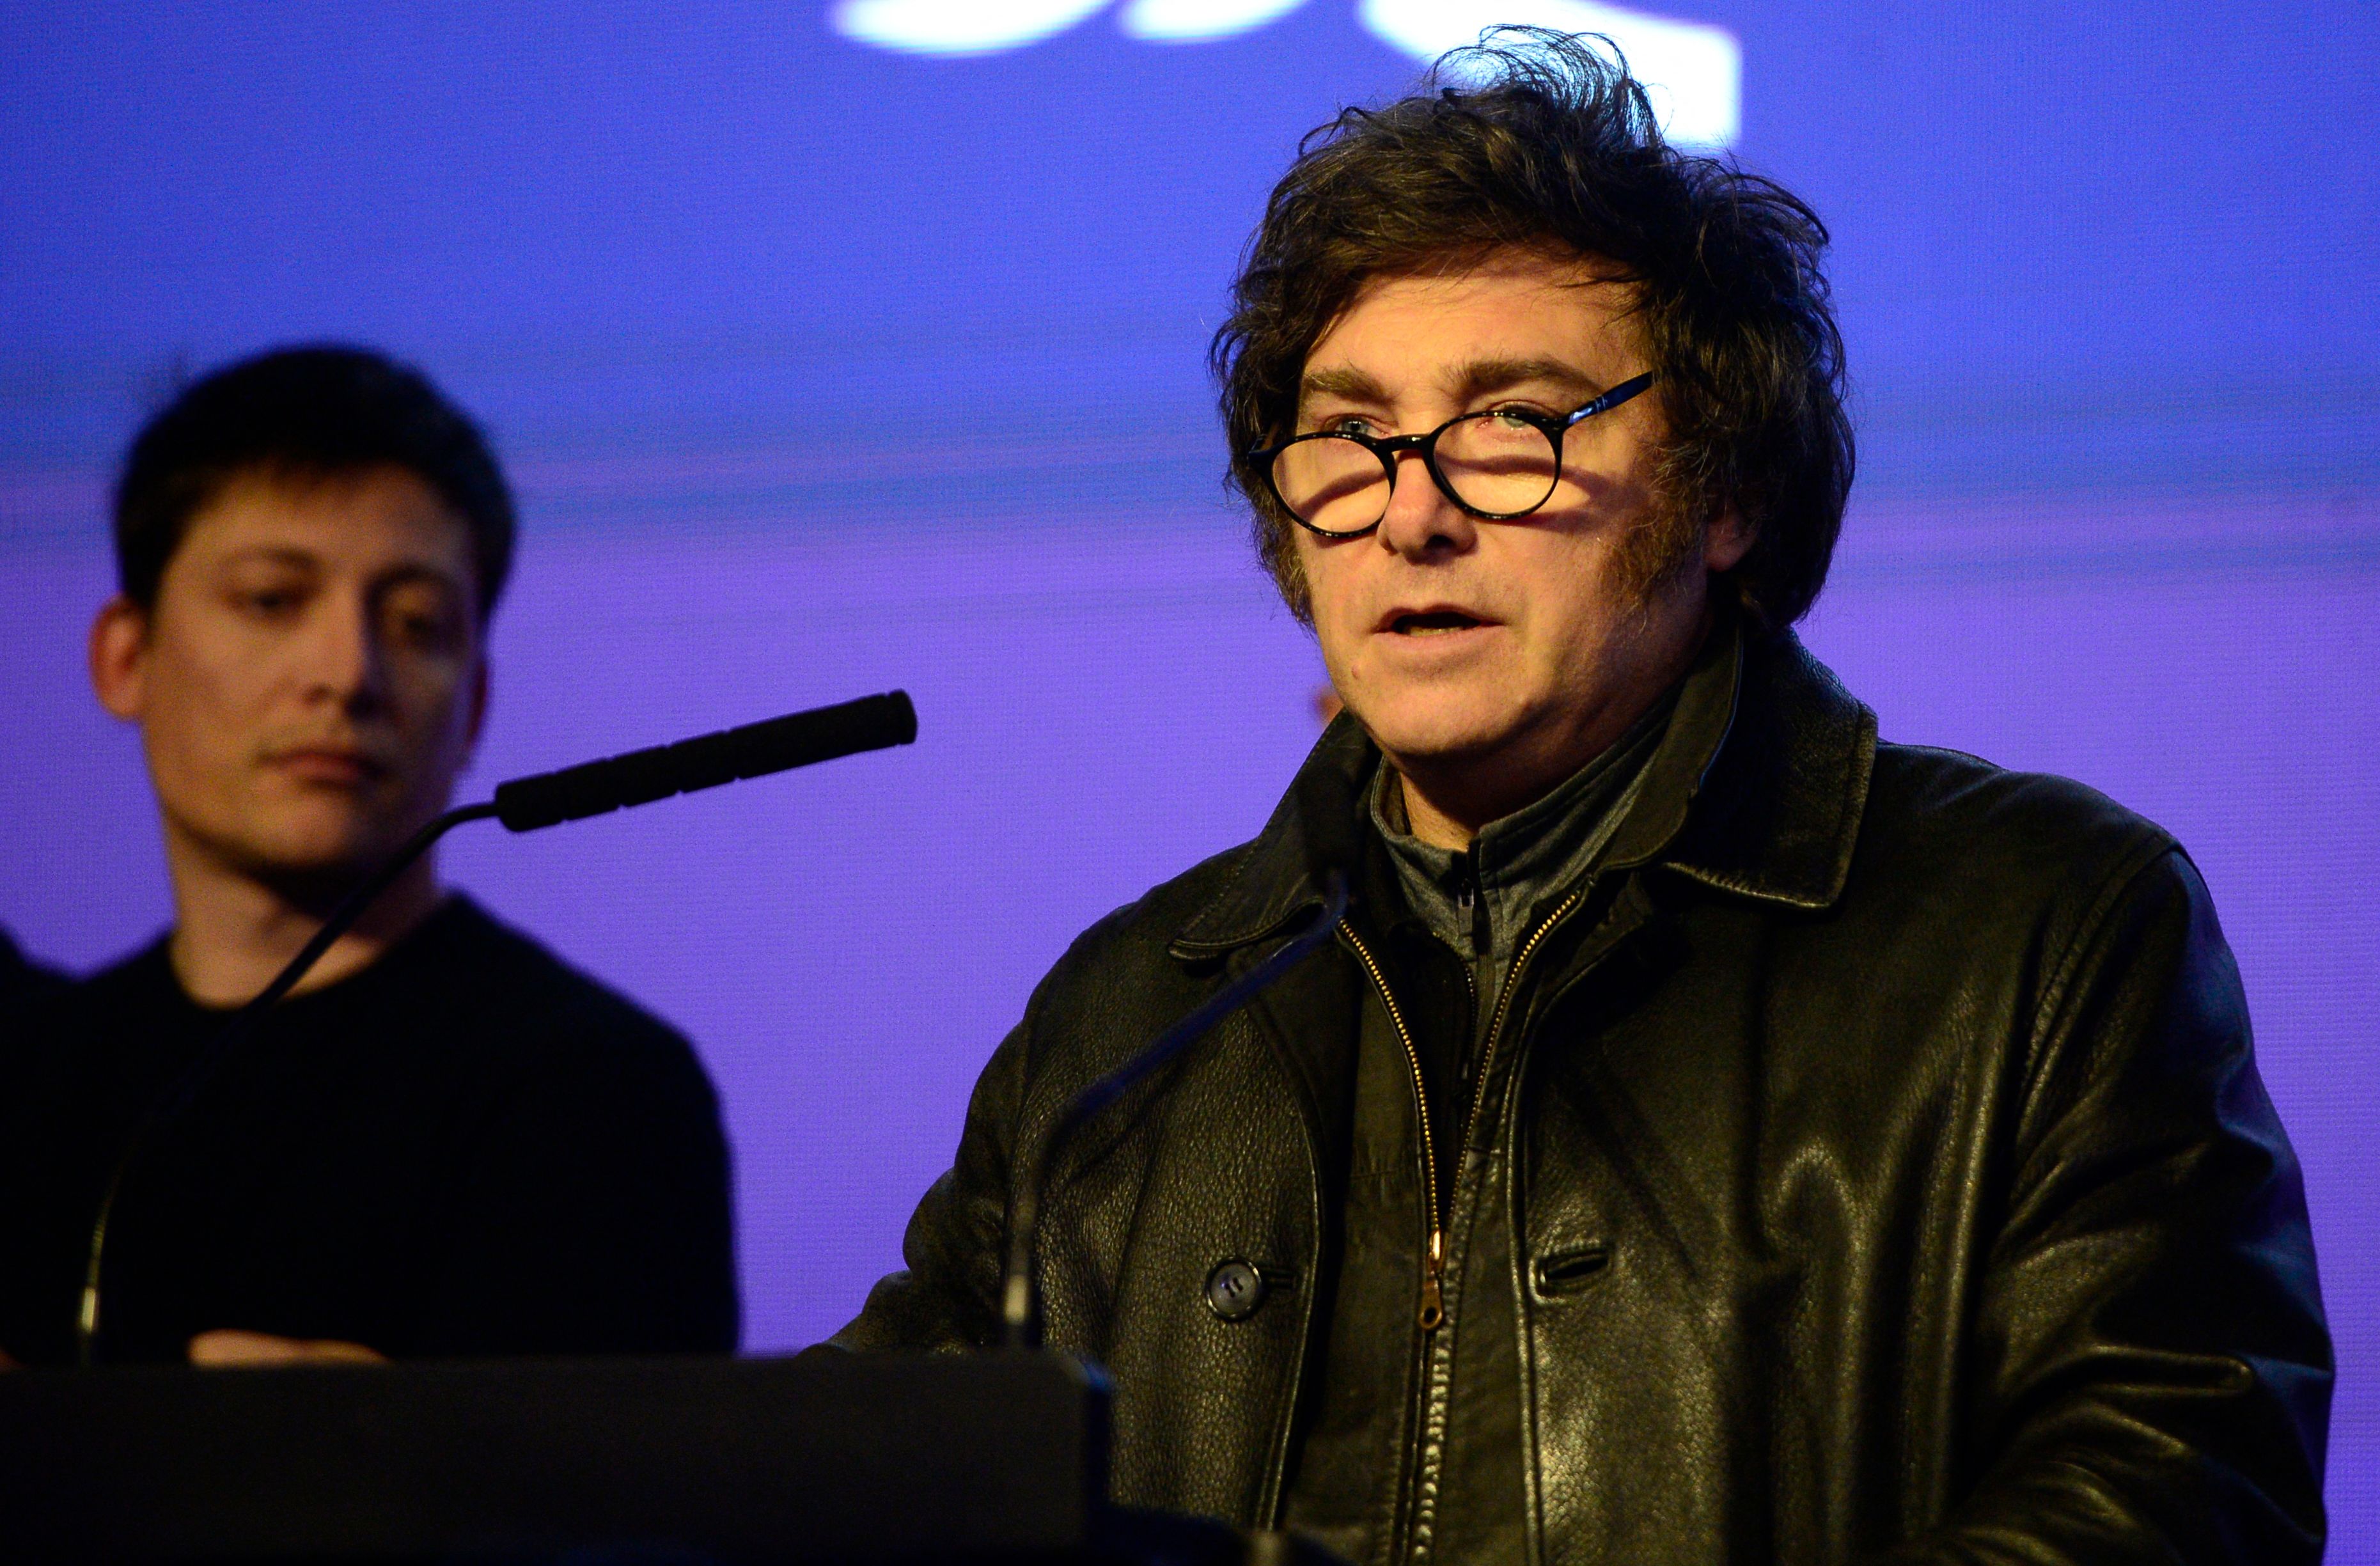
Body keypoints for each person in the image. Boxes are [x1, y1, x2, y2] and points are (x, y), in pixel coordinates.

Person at [830, 33, 2330, 1563]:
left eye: (1510, 426)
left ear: (1726, 495)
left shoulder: (2042, 934)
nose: (1409, 512)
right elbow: (853, 1492)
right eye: (1349, 439)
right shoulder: (1132, 1022)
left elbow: (2175, 1495)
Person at [0, 346, 739, 1368]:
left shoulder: (595, 1094)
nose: (347, 674)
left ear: (475, 701)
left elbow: (633, 1517)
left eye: (416, 624)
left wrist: (397, 1474)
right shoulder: (32, 1081)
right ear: (126, 657)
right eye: (271, 600)